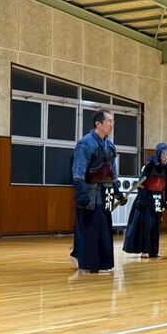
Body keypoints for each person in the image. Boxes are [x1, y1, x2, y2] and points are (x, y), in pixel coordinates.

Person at [71, 109, 126, 273]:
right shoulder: (85, 143)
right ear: (98, 123)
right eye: (109, 121)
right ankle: (88, 264)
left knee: (104, 228)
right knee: (90, 228)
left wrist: (117, 190)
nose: (112, 124)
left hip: (106, 192)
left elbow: (112, 172)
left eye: (113, 121)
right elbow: (78, 170)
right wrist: (81, 191)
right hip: (90, 193)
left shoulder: (110, 145)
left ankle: (103, 263)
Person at [123, 143, 167, 258]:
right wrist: (143, 199)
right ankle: (145, 250)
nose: (165, 157)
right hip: (146, 197)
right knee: (147, 224)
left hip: (158, 198)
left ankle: (154, 251)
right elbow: (141, 182)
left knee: (156, 225)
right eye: (164, 154)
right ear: (159, 154)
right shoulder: (150, 165)